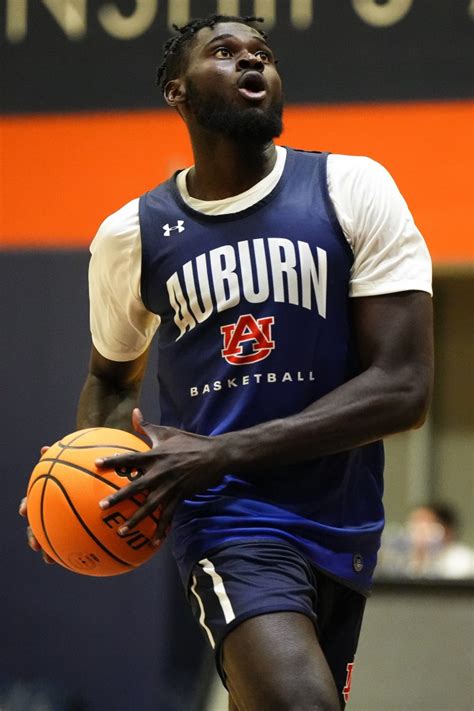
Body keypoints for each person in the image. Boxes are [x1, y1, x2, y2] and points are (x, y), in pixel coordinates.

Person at [21, 14, 434, 710]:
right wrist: (90, 476)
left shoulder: (353, 188)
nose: (253, 63)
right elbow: (108, 378)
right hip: (227, 521)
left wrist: (219, 449)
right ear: (178, 92)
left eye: (263, 54)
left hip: (345, 516)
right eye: (226, 52)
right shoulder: (132, 234)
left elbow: (404, 388)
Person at [378, 503, 474, 579]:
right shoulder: (403, 561)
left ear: (446, 530)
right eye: (414, 525)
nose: (417, 533)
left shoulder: (463, 560)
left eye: (424, 526)